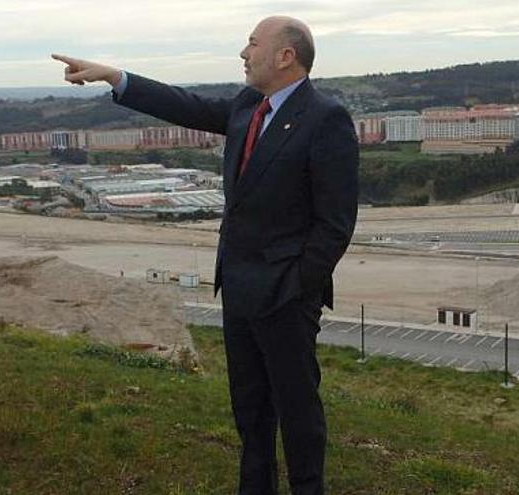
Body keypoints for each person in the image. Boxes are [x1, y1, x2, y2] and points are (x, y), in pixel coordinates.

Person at [53, 15, 358, 495]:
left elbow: (336, 223)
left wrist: (297, 287)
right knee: (249, 409)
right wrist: (116, 77)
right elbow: (186, 105)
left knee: (298, 412)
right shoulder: (246, 106)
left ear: (285, 56)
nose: (243, 53)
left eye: (252, 44)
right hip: (237, 287)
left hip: (284, 296)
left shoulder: (325, 118)